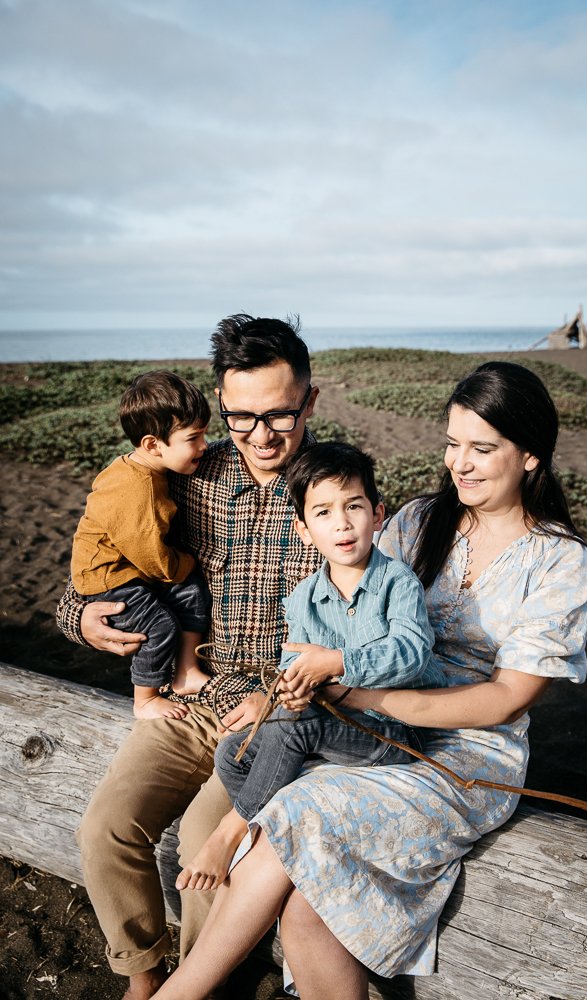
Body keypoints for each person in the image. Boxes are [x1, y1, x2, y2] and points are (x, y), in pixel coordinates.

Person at [151, 360, 587, 1000]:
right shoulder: (417, 522)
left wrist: (354, 695)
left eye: (482, 448)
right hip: (365, 724)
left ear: (530, 456)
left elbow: (507, 699)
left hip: (469, 753)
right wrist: (286, 691)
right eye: (451, 444)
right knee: (310, 912)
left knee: (292, 808)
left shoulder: (561, 559)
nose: (460, 464)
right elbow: (339, 619)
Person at [55, 314, 322, 1000]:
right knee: (107, 828)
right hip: (193, 696)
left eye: (280, 415)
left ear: (311, 402)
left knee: (209, 834)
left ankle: (201, 984)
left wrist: (290, 692)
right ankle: (142, 974)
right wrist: (80, 618)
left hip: (277, 710)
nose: (260, 435)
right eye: (239, 417)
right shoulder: (188, 474)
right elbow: (95, 559)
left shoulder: (333, 492)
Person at [178, 441, 447, 890]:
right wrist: (292, 688)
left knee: (295, 727)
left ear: (378, 516)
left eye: (354, 507)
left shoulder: (398, 582)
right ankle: (271, 820)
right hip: (336, 729)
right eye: (323, 512)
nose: (341, 523)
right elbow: (291, 670)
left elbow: (412, 650)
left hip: (397, 731)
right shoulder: (302, 600)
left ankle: (232, 831)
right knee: (232, 750)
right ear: (303, 530)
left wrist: (337, 663)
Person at [70, 370, 212, 719]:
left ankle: (185, 672)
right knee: (159, 624)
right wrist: (186, 563)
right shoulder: (141, 491)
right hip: (109, 578)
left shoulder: (144, 468)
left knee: (191, 592)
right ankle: (145, 698)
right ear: (153, 444)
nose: (204, 446)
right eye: (194, 438)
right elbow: (155, 561)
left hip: (128, 570)